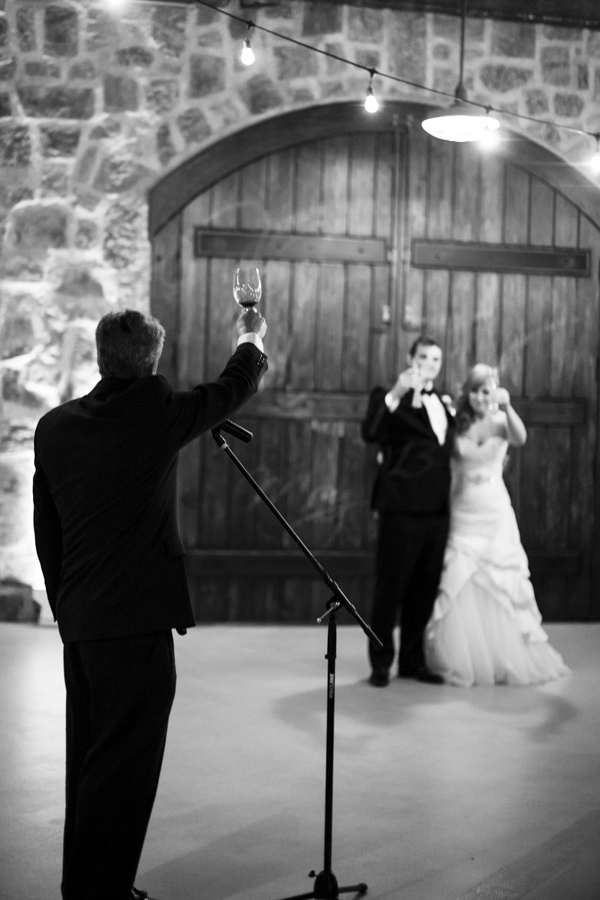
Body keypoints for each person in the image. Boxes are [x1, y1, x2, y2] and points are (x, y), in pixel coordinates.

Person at [33, 306, 268, 900]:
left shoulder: (54, 427)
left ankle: (83, 885)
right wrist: (250, 336)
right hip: (136, 622)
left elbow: (46, 530)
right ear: (153, 361)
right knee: (126, 769)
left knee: (88, 757)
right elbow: (233, 386)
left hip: (82, 620)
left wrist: (66, 608)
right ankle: (104, 892)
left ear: (98, 356)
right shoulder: (158, 413)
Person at [424, 364, 570, 687]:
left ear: (494, 392)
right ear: (468, 393)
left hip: (494, 511)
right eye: (475, 390)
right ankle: (465, 656)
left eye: (486, 390)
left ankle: (502, 656)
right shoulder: (456, 421)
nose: (480, 396)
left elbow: (521, 438)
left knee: (500, 579)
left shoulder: (502, 421)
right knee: (461, 577)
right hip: (463, 509)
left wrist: (506, 406)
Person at [361, 336, 455, 686]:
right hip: (400, 506)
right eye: (424, 356)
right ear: (410, 358)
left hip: (437, 509)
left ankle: (413, 661)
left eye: (436, 358)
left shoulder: (443, 402)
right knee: (390, 587)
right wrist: (396, 393)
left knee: (424, 588)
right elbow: (369, 433)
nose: (430, 363)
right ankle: (381, 661)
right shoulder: (387, 397)